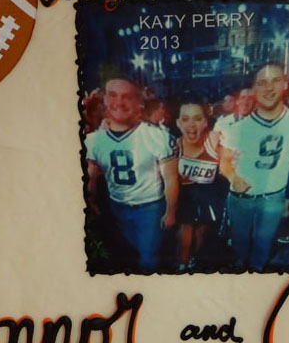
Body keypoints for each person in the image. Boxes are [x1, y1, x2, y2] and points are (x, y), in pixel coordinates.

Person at [219, 63, 289, 271]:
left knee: (263, 248)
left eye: (275, 81)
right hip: (241, 198)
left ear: (285, 84)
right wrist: (233, 177)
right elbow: (224, 162)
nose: (269, 88)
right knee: (240, 247)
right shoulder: (238, 128)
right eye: (262, 83)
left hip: (274, 196)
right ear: (254, 89)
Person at [85, 78, 178, 272]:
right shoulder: (94, 140)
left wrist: (170, 211)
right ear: (105, 100)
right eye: (113, 95)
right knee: (128, 254)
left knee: (148, 259)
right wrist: (91, 199)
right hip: (117, 204)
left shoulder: (157, 137)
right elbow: (91, 176)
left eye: (127, 97)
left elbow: (170, 178)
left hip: (150, 206)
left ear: (138, 103)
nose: (119, 102)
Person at [174, 101, 223, 271]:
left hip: (208, 193)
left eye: (197, 118)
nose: (191, 124)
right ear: (178, 123)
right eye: (185, 119)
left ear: (205, 122)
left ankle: (192, 259)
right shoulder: (174, 145)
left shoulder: (214, 140)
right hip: (185, 195)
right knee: (185, 229)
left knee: (201, 230)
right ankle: (182, 262)